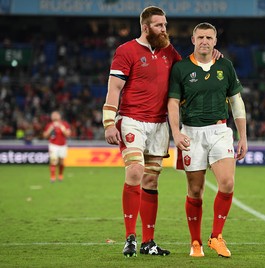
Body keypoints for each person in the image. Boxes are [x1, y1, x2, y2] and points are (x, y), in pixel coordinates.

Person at [102, 6, 222, 258]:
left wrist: (210, 56)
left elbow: (189, 70)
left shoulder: (169, 52)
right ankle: (130, 238)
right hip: (132, 120)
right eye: (159, 25)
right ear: (145, 27)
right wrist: (109, 122)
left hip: (159, 124)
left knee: (151, 180)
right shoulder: (126, 51)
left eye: (165, 24)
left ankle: (148, 242)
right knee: (135, 170)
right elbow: (114, 88)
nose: (164, 29)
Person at [167, 22, 248, 258]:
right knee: (195, 190)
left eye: (209, 37)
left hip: (220, 131)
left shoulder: (226, 66)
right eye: (200, 37)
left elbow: (236, 101)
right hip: (191, 133)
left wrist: (243, 136)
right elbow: (172, 102)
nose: (204, 41)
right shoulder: (180, 68)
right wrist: (176, 131)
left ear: (215, 41)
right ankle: (195, 242)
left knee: (227, 183)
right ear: (193, 40)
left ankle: (216, 237)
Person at [43, 111, 71, 182]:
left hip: (62, 145)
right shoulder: (49, 125)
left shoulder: (64, 124)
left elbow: (68, 134)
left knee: (61, 162)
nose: (54, 116)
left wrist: (62, 128)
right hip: (53, 145)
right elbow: (45, 135)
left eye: (56, 115)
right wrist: (50, 129)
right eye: (53, 115)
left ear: (59, 116)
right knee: (53, 161)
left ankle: (60, 175)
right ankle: (52, 177)